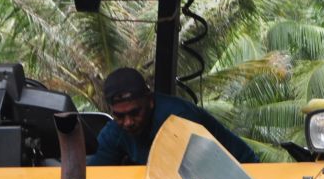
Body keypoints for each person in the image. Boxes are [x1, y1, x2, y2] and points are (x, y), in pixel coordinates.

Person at [88, 67, 257, 165]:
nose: (128, 122)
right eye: (119, 116)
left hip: (244, 171)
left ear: (150, 101)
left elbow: (197, 172)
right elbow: (95, 174)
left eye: (135, 112)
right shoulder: (115, 131)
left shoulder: (179, 119)